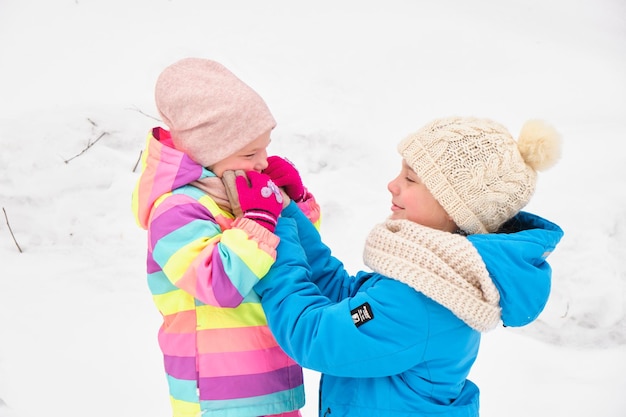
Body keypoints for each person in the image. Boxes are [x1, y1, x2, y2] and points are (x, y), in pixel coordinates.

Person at [254, 116, 564, 416]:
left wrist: (274, 239)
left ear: (454, 209)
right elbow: (345, 298)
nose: (392, 185)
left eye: (410, 179)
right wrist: (286, 213)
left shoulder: (422, 299)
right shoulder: (433, 278)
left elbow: (315, 337)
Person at [131, 57, 319, 417]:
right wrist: (261, 218)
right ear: (208, 151)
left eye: (265, 146)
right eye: (250, 153)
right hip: (220, 393)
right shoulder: (176, 210)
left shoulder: (238, 192)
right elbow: (219, 284)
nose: (264, 161)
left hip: (270, 373)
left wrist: (293, 203)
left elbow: (295, 253)